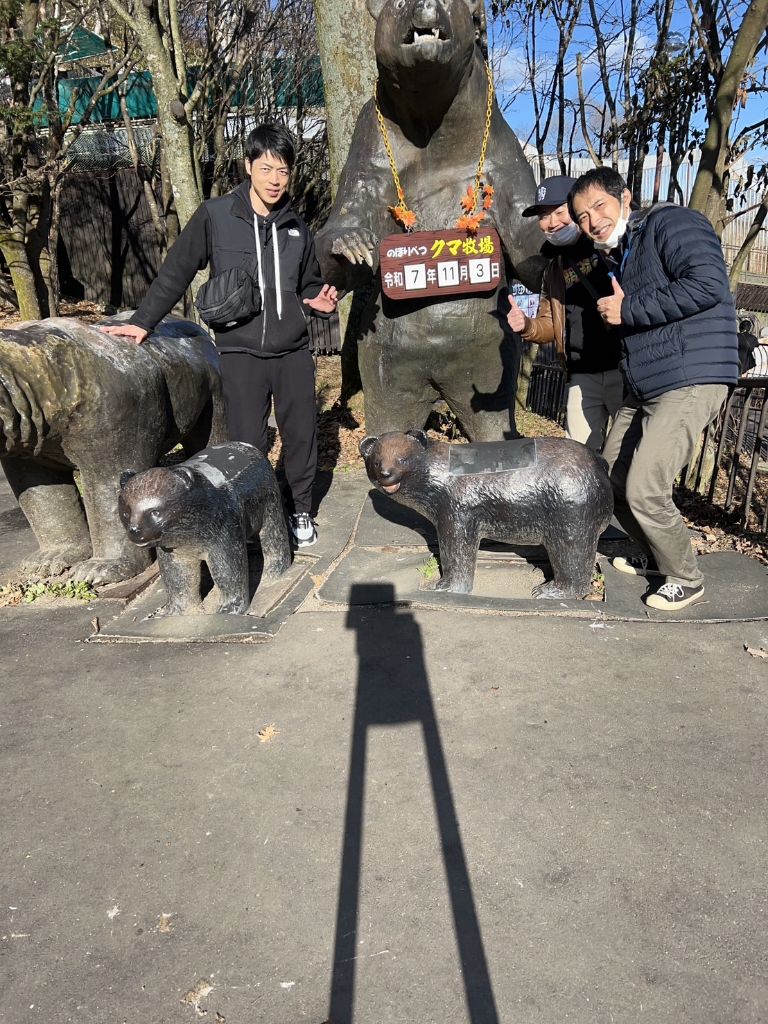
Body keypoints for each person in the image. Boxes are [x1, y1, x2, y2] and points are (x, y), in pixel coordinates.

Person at [100, 122, 338, 548]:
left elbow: (307, 284)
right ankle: (250, 516)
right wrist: (143, 322)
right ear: (248, 166)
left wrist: (317, 300)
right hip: (240, 352)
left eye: (283, 171)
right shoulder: (216, 216)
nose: (275, 180)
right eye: (266, 169)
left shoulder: (297, 227)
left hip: (293, 352)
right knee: (246, 444)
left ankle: (301, 510)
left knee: (301, 434)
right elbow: (177, 270)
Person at [569, 167, 739, 611]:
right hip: (647, 382)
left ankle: (685, 575)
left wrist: (629, 309)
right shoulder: (620, 253)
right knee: (608, 481)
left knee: (645, 485)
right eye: (582, 217)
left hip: (692, 374)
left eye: (599, 206)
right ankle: (651, 553)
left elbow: (708, 284)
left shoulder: (673, 222)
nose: (593, 221)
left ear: (624, 197)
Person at [507, 174, 623, 450]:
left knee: (626, 456)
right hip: (581, 373)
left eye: (559, 212)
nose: (551, 222)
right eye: (543, 216)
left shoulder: (611, 244)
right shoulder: (554, 264)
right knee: (581, 457)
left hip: (622, 366)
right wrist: (526, 325)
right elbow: (550, 321)